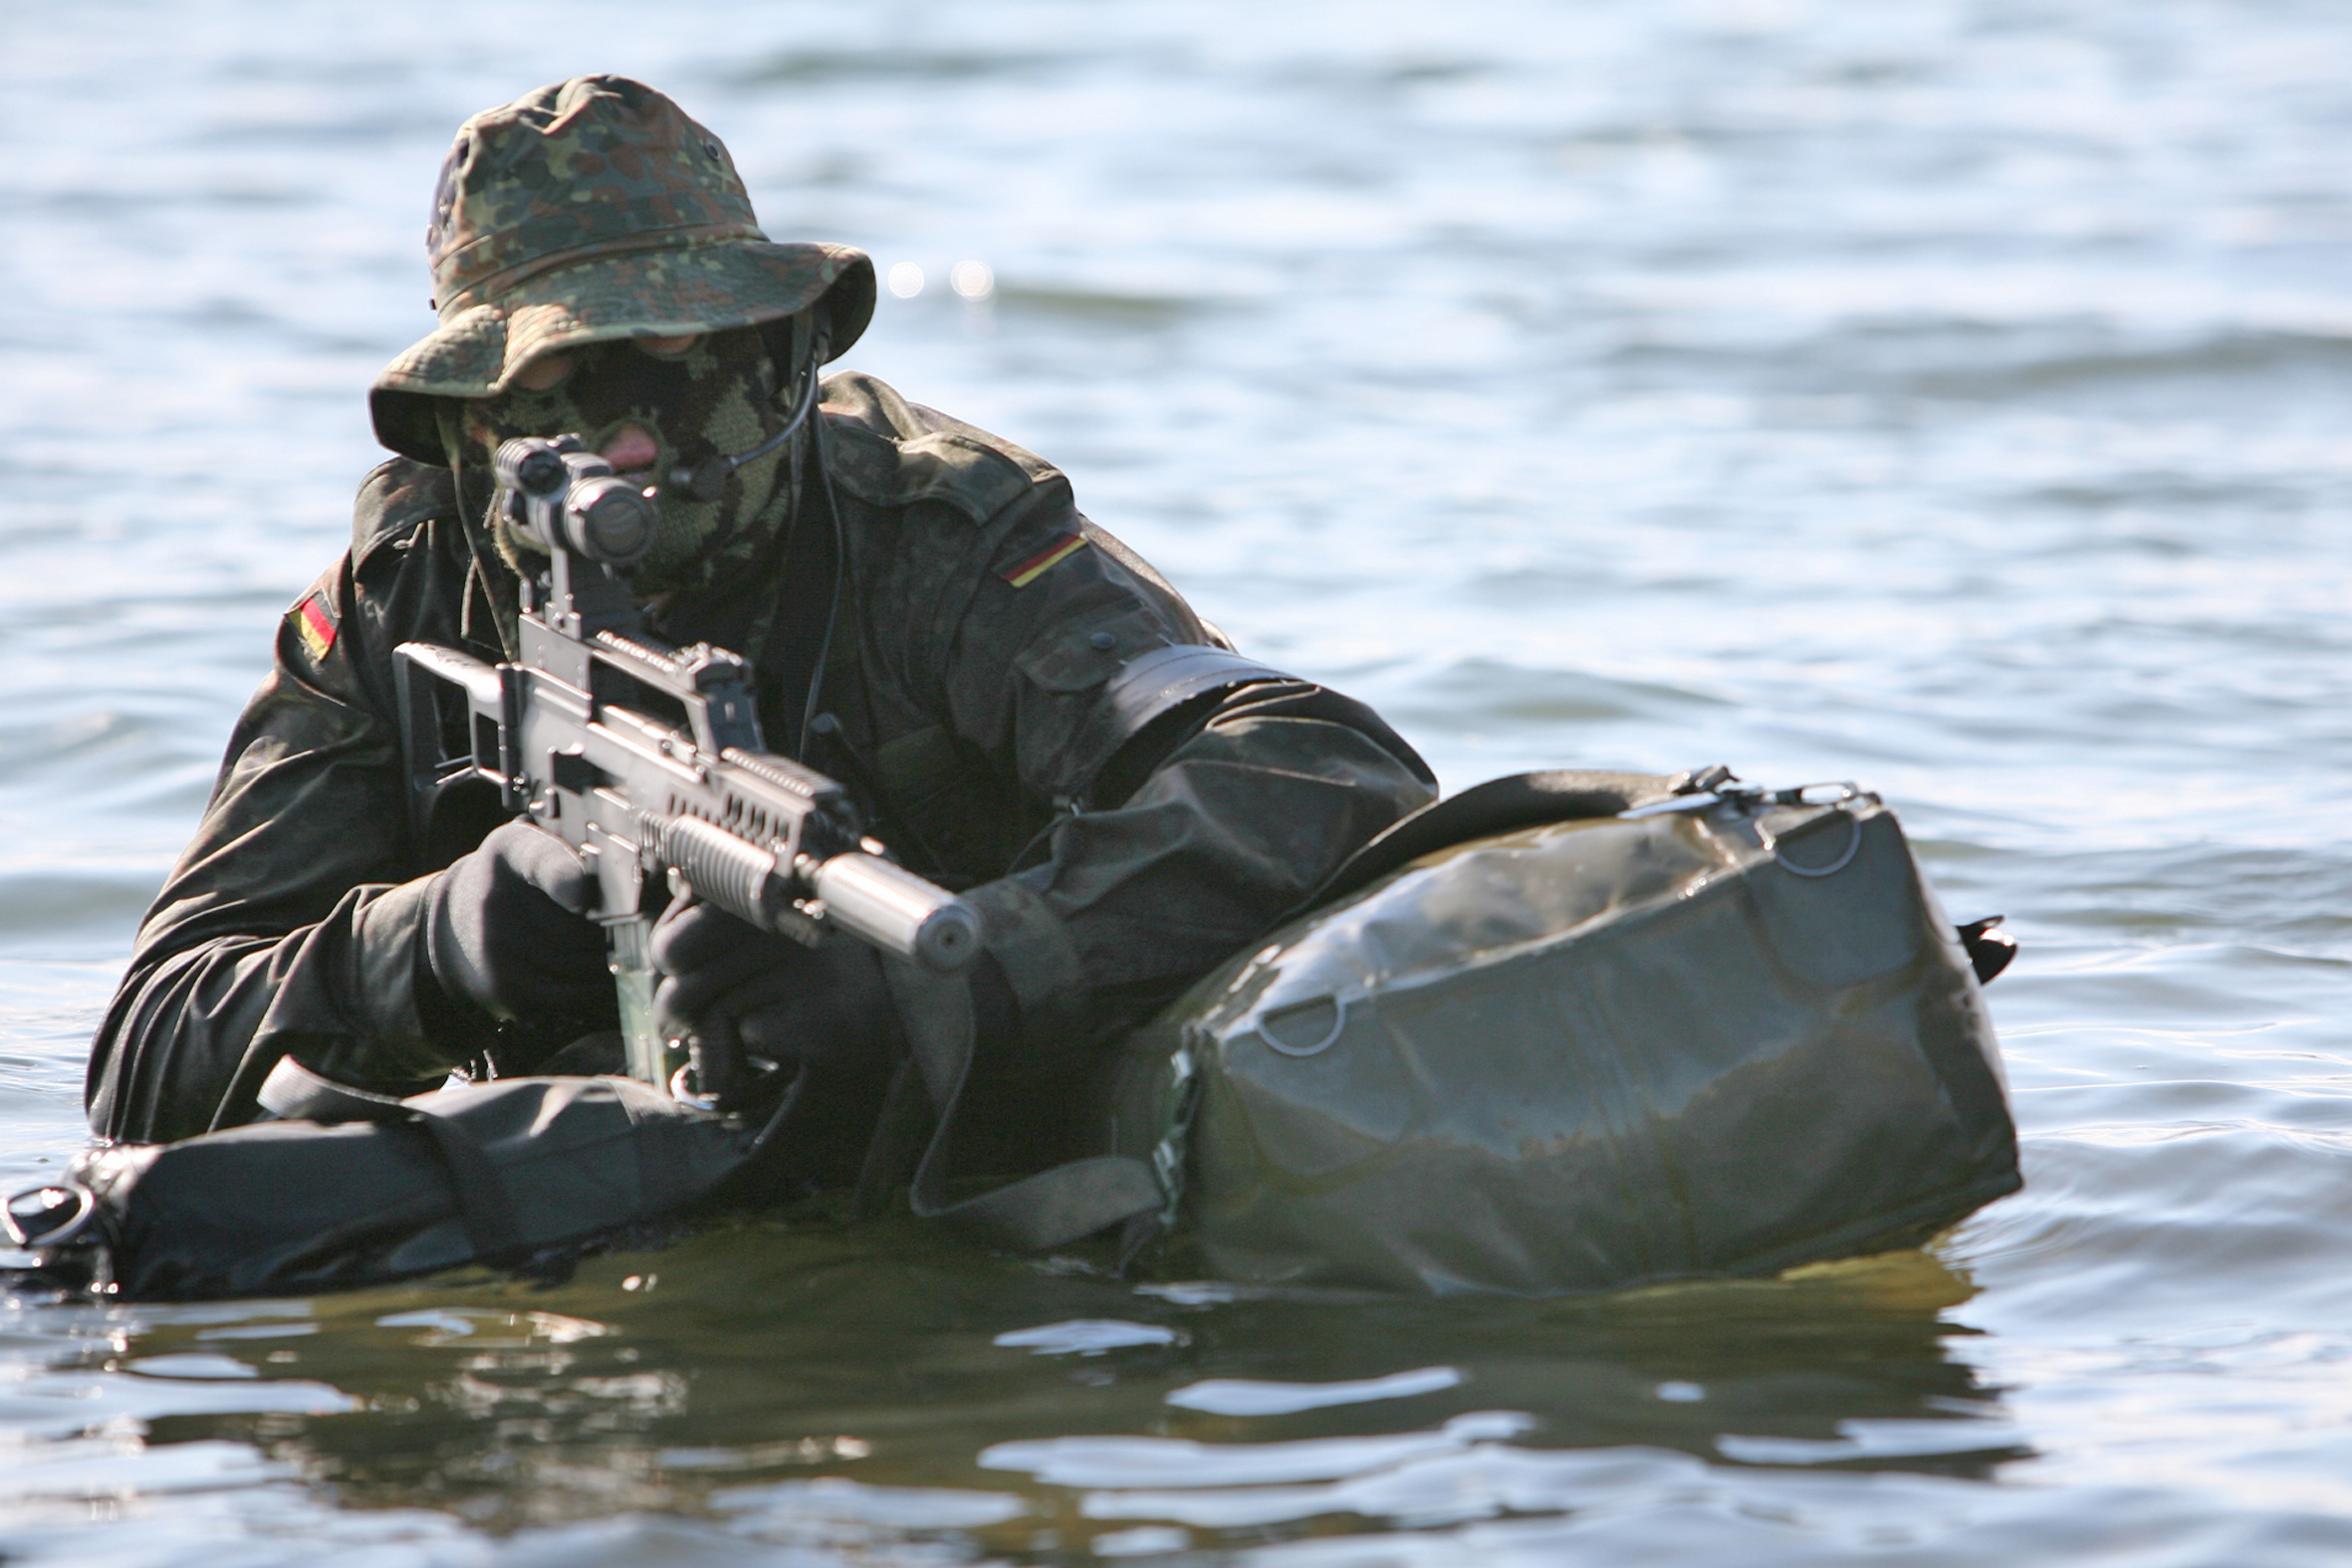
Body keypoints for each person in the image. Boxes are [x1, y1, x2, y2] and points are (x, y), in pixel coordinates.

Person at [84, 77, 1434, 1208]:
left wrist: (945, 981)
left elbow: (1319, 774)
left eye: (694, 376)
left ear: (788, 355)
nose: (629, 444)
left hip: (938, 1179)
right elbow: (145, 1054)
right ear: (465, 426)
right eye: (558, 397)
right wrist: (441, 944)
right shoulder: (402, 597)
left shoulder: (932, 528)